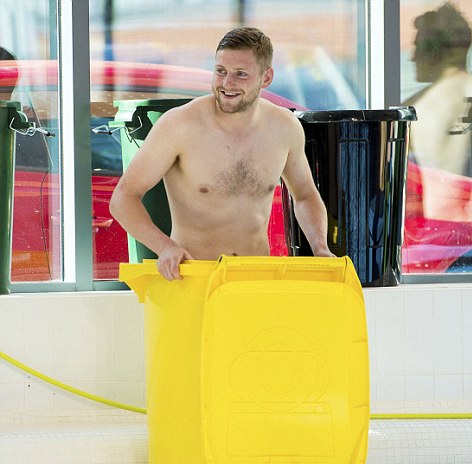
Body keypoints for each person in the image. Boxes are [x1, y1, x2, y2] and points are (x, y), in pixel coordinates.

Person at [110, 27, 333, 281]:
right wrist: (165, 247)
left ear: (266, 77)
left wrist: (320, 248)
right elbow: (123, 198)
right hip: (194, 278)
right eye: (220, 71)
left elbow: (304, 196)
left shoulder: (284, 127)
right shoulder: (180, 125)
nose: (227, 84)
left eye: (240, 74)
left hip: (255, 278)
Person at [405, 3, 472, 220]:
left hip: (440, 235)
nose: (412, 57)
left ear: (437, 50)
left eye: (418, 46)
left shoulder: (413, 110)